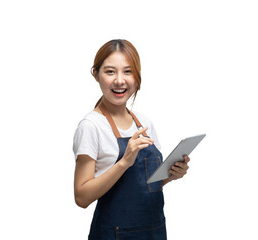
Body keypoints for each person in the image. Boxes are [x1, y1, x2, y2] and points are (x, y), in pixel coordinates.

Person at [73, 39, 190, 239]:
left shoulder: (144, 123)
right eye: (110, 72)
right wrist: (124, 163)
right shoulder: (91, 126)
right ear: (96, 74)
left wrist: (170, 175)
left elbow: (145, 184)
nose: (120, 80)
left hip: (155, 232)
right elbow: (81, 197)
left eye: (128, 71)